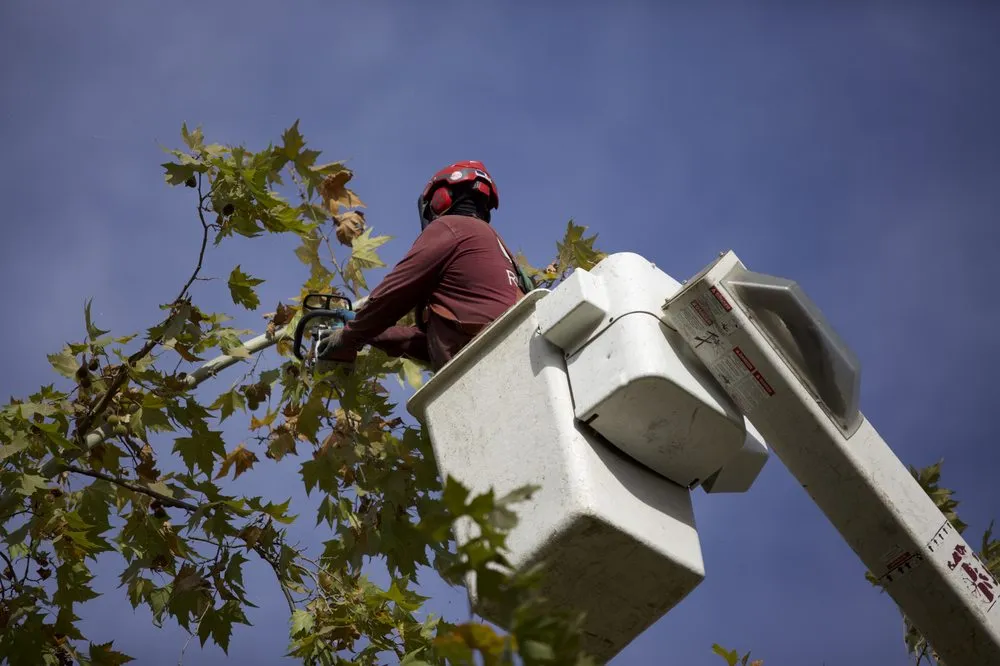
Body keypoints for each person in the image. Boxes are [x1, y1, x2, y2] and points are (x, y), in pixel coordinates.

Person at [316, 160, 533, 372]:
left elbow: (395, 292)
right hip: (506, 365)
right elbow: (433, 342)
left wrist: (349, 335)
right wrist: (369, 332)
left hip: (482, 368)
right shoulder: (500, 252)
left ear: (441, 199)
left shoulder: (450, 227)